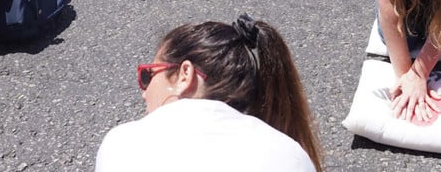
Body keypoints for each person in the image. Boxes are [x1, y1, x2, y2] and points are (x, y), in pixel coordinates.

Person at [95, 15, 321, 171]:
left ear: (185, 75)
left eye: (148, 74)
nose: (144, 93)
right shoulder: (289, 154)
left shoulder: (124, 144)